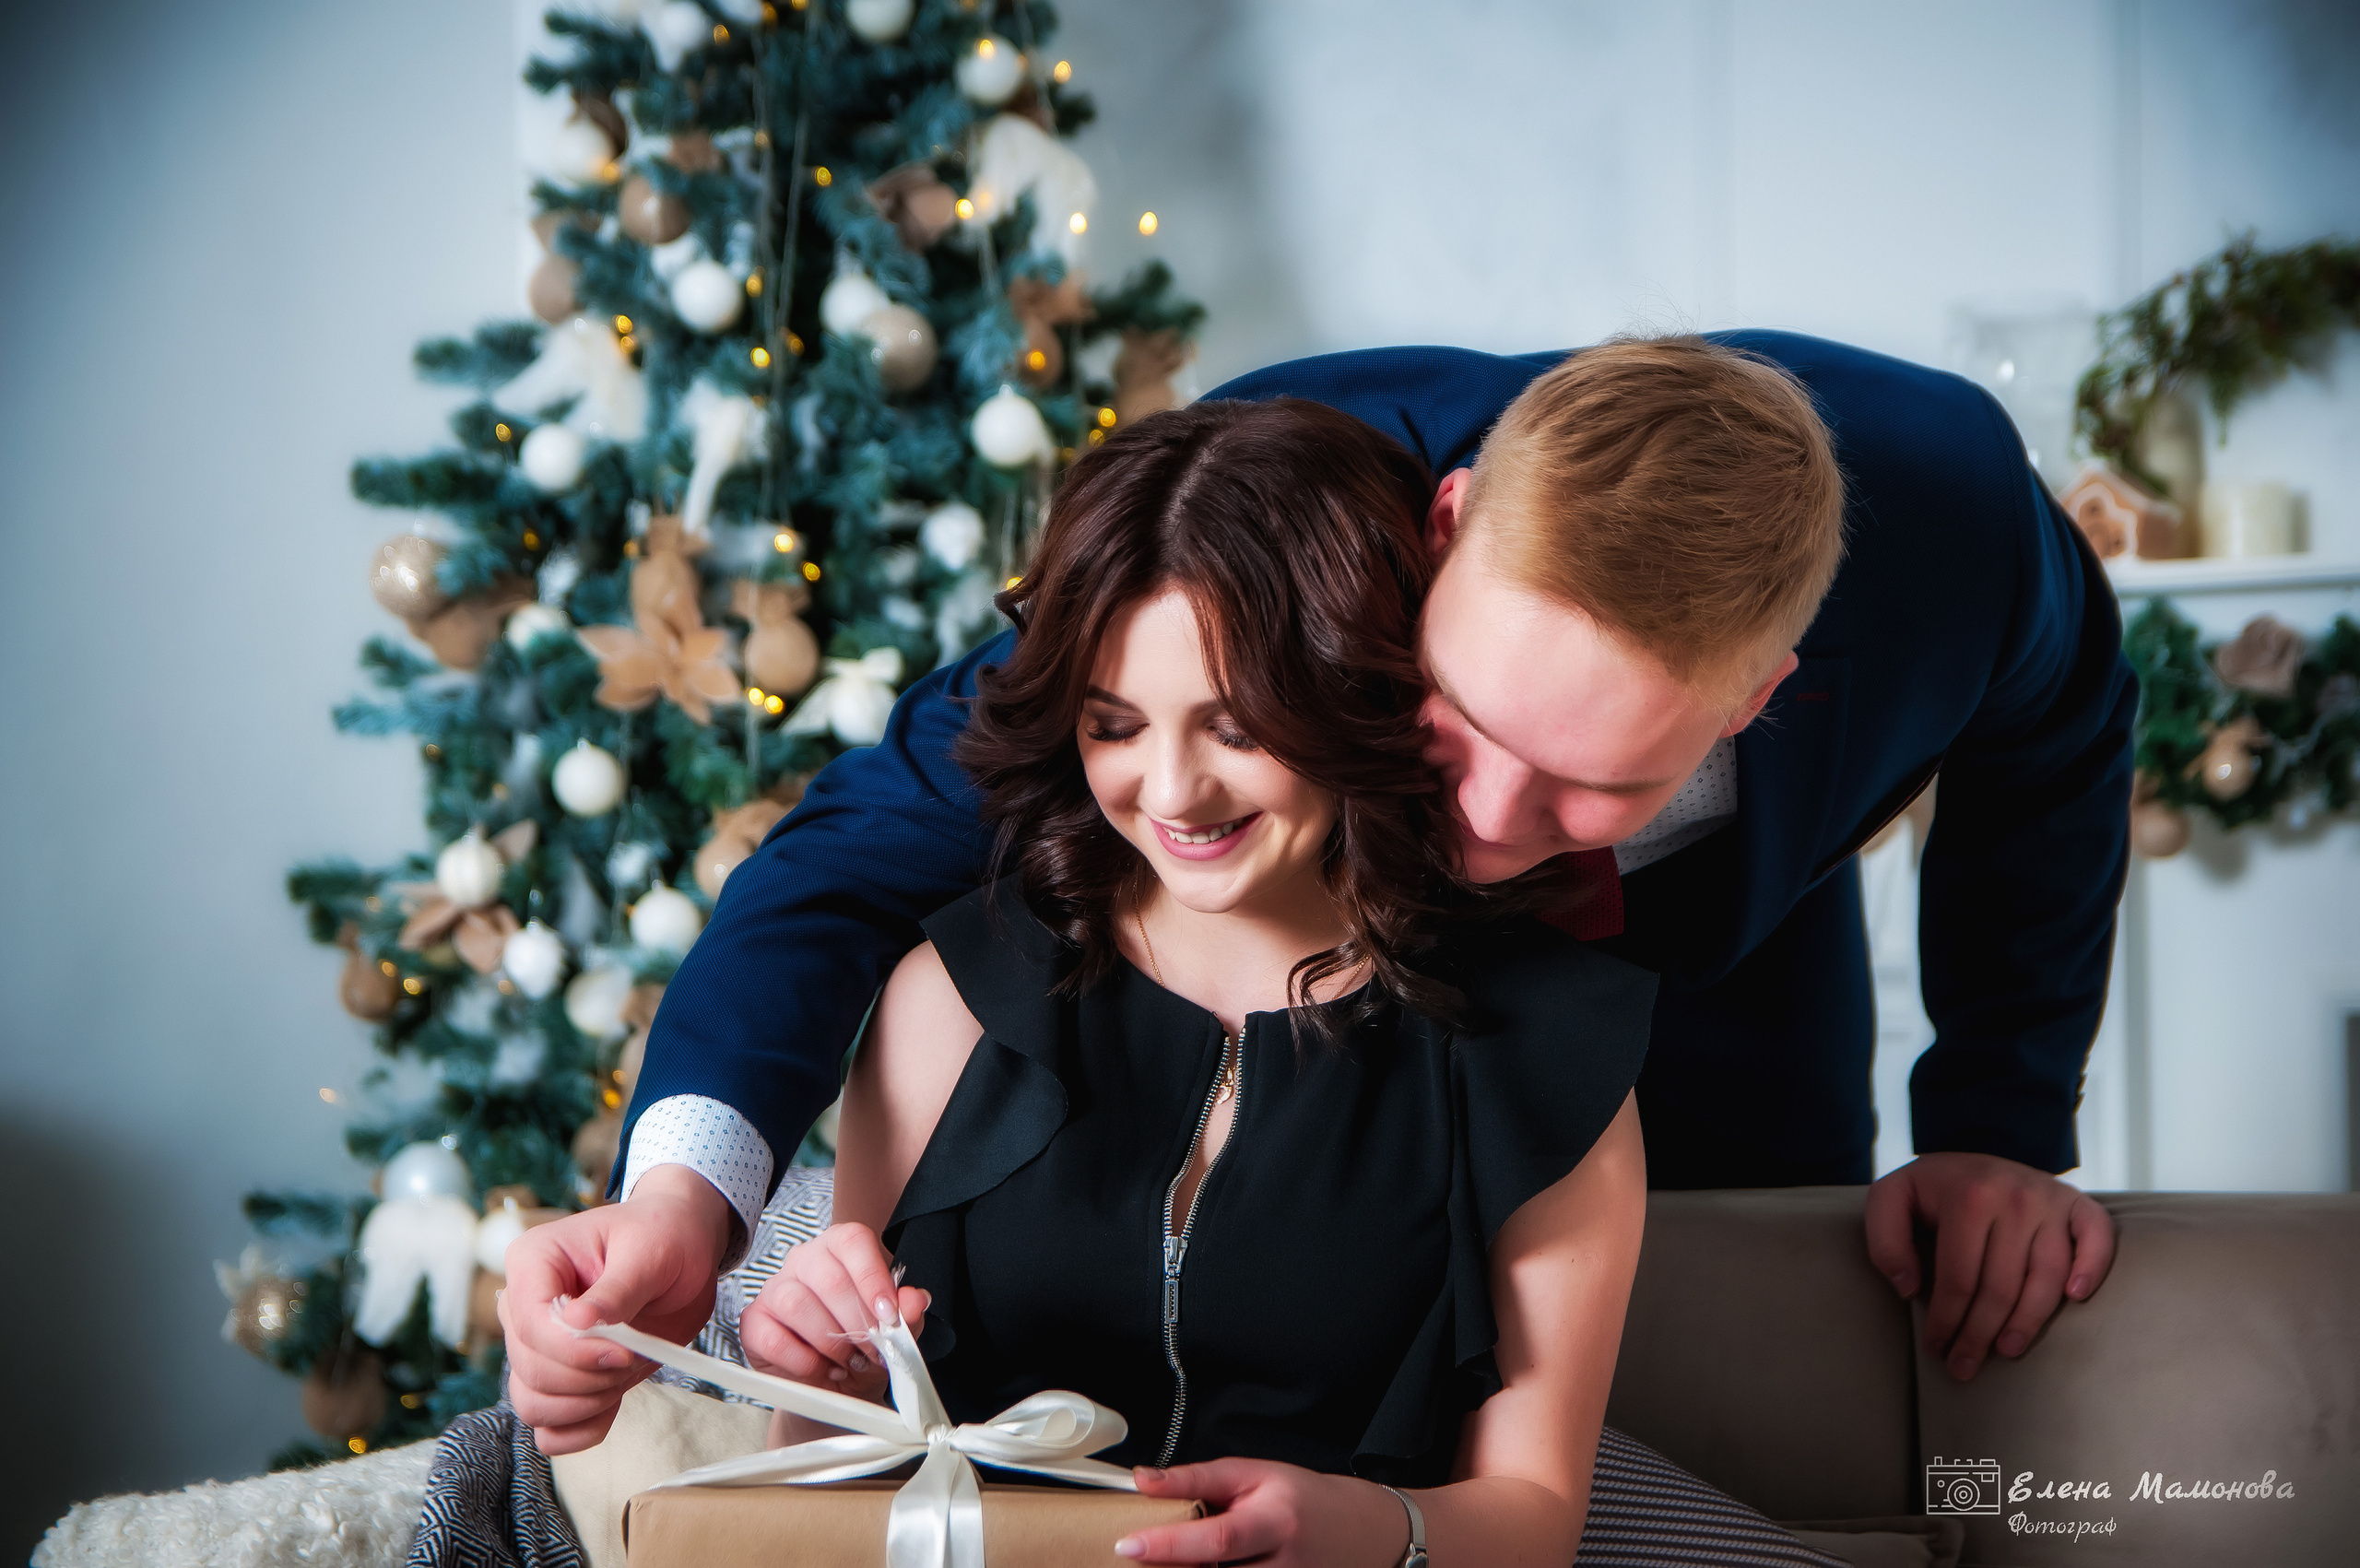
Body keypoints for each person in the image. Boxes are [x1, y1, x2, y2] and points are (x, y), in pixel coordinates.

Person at [505, 331, 2136, 1459]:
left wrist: (1996, 1116)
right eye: (1465, 723)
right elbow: (870, 837)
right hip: (1304, 1045)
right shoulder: (1272, 511)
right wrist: (681, 1204)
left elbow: (2062, 735)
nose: (1494, 824)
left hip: (1722, 998)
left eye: (1595, 786)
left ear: (1761, 697)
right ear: (1443, 532)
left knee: (1722, 1394)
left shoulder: (1957, 530)